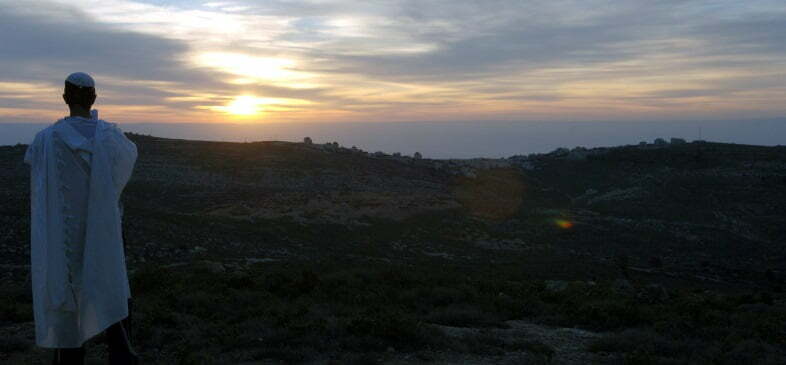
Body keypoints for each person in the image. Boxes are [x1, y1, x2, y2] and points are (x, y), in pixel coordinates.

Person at [24, 72, 140, 365]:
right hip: (104, 232)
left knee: (70, 298)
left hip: (63, 238)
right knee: (110, 286)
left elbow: (37, 176)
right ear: (94, 98)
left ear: (65, 98)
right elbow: (123, 169)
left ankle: (70, 357)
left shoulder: (45, 140)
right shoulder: (113, 139)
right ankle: (121, 353)